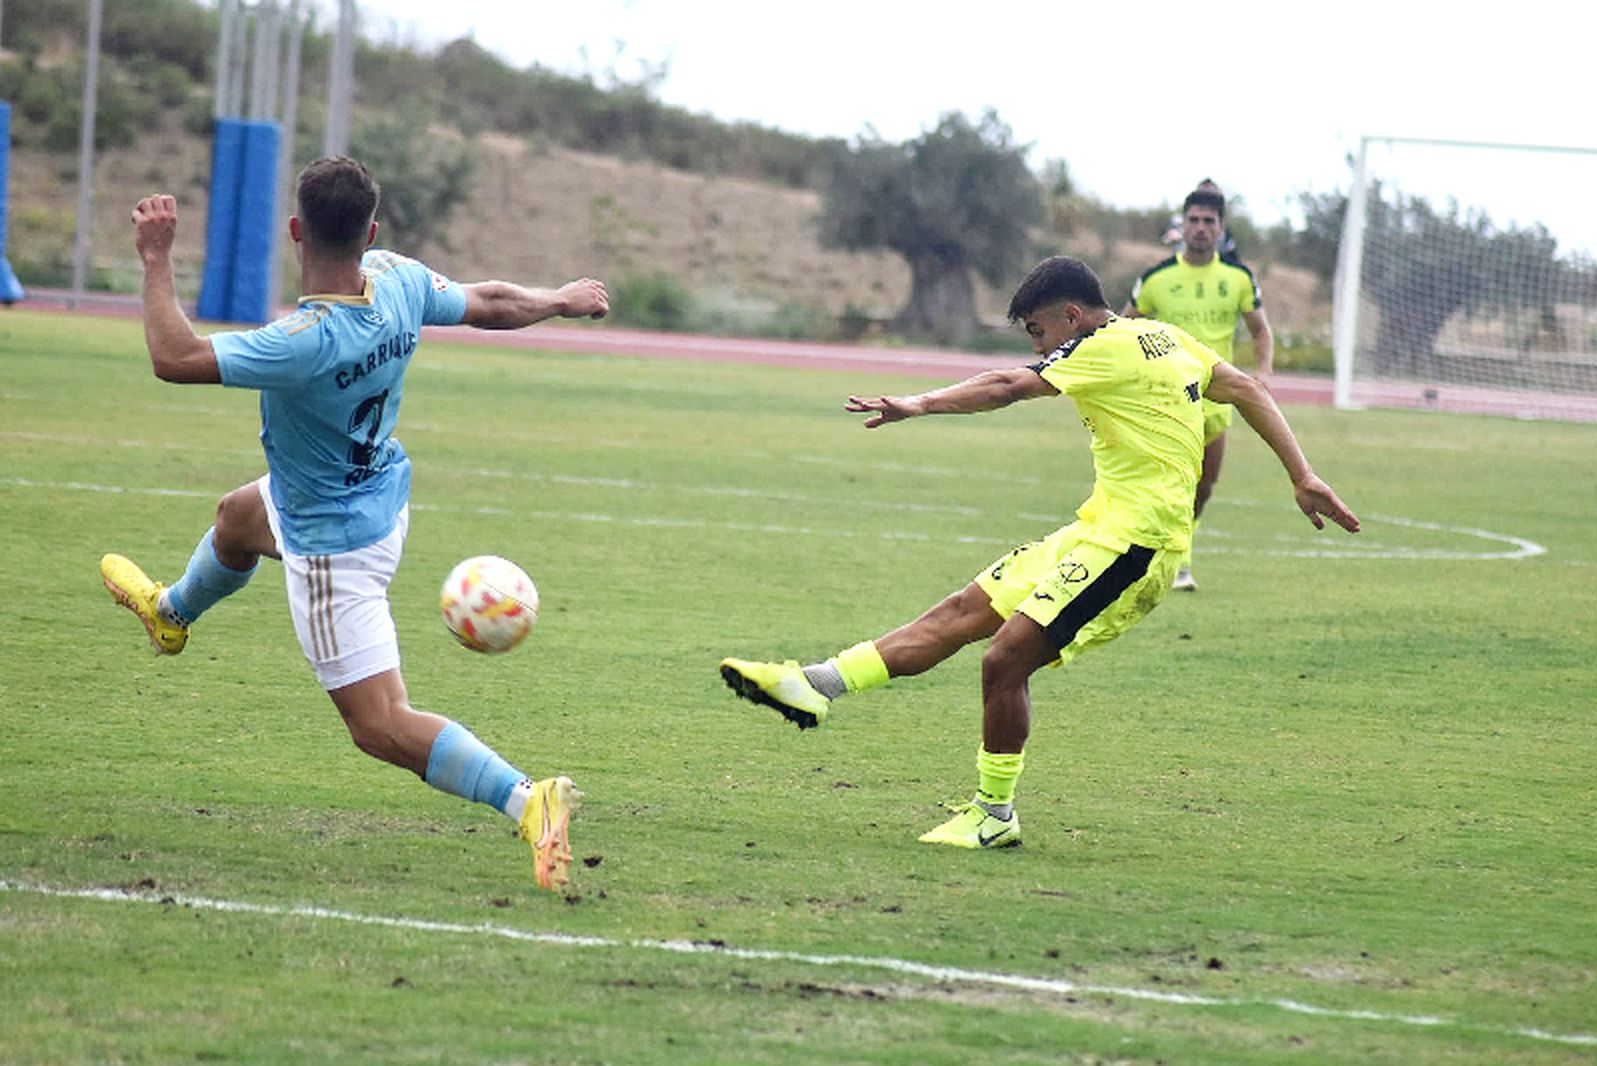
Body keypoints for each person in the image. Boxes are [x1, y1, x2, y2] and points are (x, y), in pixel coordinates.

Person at [720, 255, 1357, 849]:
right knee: (962, 611)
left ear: (1071, 316)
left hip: (1139, 545)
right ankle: (815, 685)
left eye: (1037, 329)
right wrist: (1302, 475)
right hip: (1095, 530)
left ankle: (993, 815)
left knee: (1004, 660)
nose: (1037, 346)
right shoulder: (1164, 338)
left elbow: (1005, 386)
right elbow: (1245, 387)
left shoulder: (1100, 348)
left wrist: (918, 403)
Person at [99, 157, 609, 892]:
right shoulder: (398, 278)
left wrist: (155, 256)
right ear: (371, 232)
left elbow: (173, 356)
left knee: (379, 725)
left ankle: (528, 800)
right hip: (376, 490)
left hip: (333, 545)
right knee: (239, 516)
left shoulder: (302, 339)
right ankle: (171, 612)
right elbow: (492, 300)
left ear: (296, 231)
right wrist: (561, 298)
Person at [1125, 184, 1270, 591]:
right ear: (1182, 225)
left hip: (1217, 401)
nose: (1201, 228)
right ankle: (1175, 563)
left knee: (1203, 488)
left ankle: (1173, 554)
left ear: (1222, 229)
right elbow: (1124, 327)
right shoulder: (1156, 278)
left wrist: (1264, 372)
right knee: (1170, 484)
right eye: (1194, 220)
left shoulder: (1238, 278)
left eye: (1209, 221)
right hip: (1167, 400)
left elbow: (1261, 331)